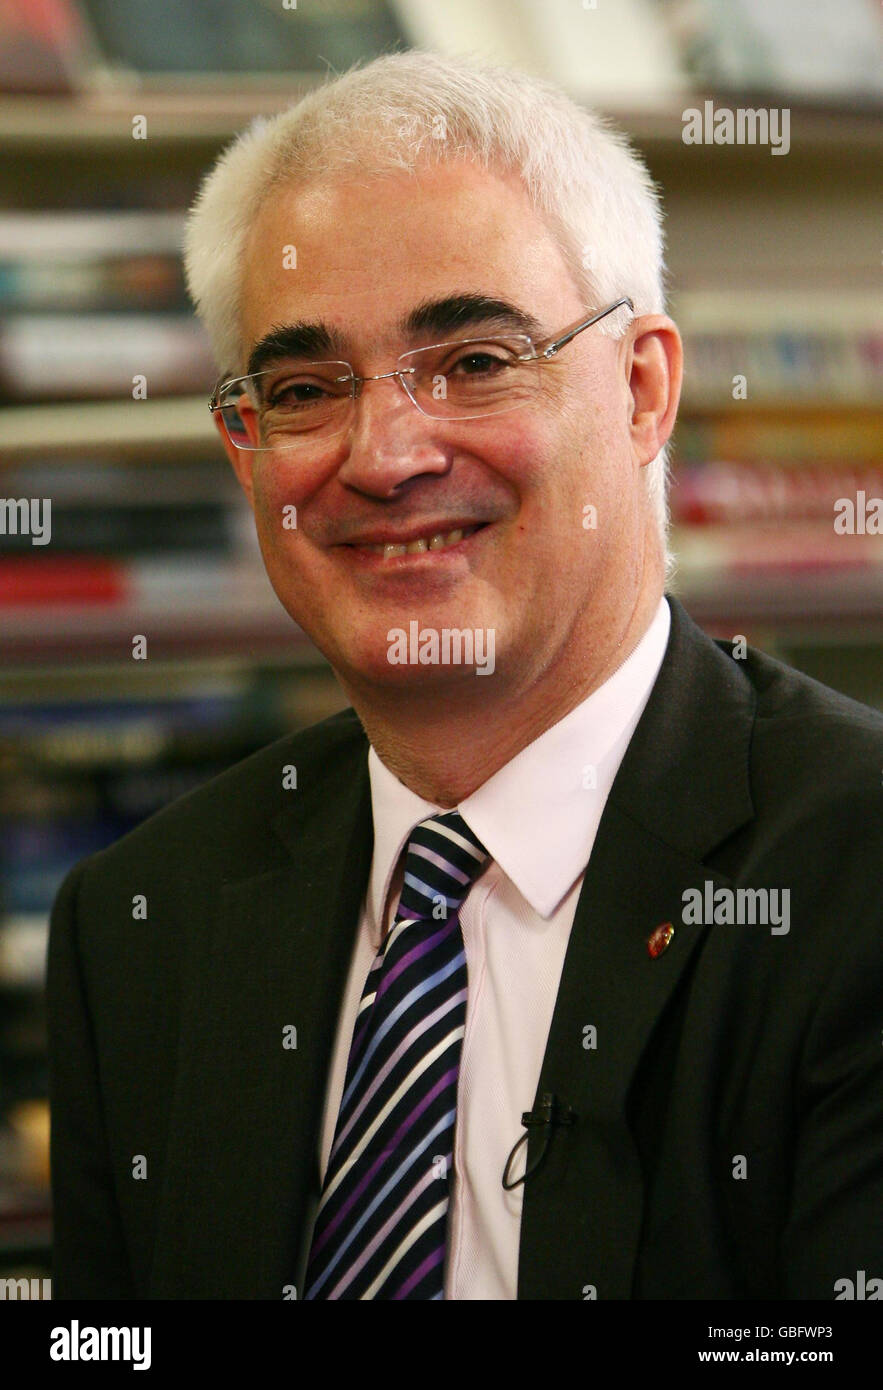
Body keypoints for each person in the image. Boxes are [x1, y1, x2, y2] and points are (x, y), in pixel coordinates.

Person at [47, 50, 882, 1301]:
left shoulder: (855, 881)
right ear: (244, 448)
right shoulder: (139, 925)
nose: (384, 456)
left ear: (644, 388)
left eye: (476, 362)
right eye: (305, 389)